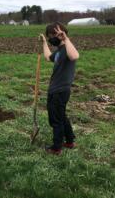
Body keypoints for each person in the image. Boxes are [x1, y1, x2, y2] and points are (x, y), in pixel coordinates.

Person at [40, 22, 79, 155]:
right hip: (55, 89)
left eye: (52, 35)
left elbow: (74, 56)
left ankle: (56, 148)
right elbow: (47, 57)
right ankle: (69, 141)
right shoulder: (58, 52)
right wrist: (44, 42)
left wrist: (66, 39)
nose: (51, 39)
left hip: (60, 90)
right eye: (49, 36)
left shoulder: (68, 50)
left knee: (55, 119)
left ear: (62, 33)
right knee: (61, 116)